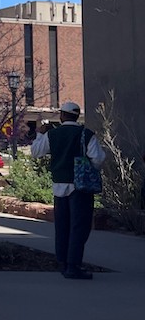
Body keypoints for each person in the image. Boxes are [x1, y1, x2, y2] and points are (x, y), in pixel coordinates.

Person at [31, 102, 105, 280]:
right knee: (79, 227)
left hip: (59, 185)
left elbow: (36, 152)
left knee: (62, 226)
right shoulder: (85, 134)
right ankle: (74, 265)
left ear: (62, 116)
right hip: (80, 187)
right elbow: (98, 158)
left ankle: (63, 262)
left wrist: (40, 134)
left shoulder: (53, 135)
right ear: (77, 116)